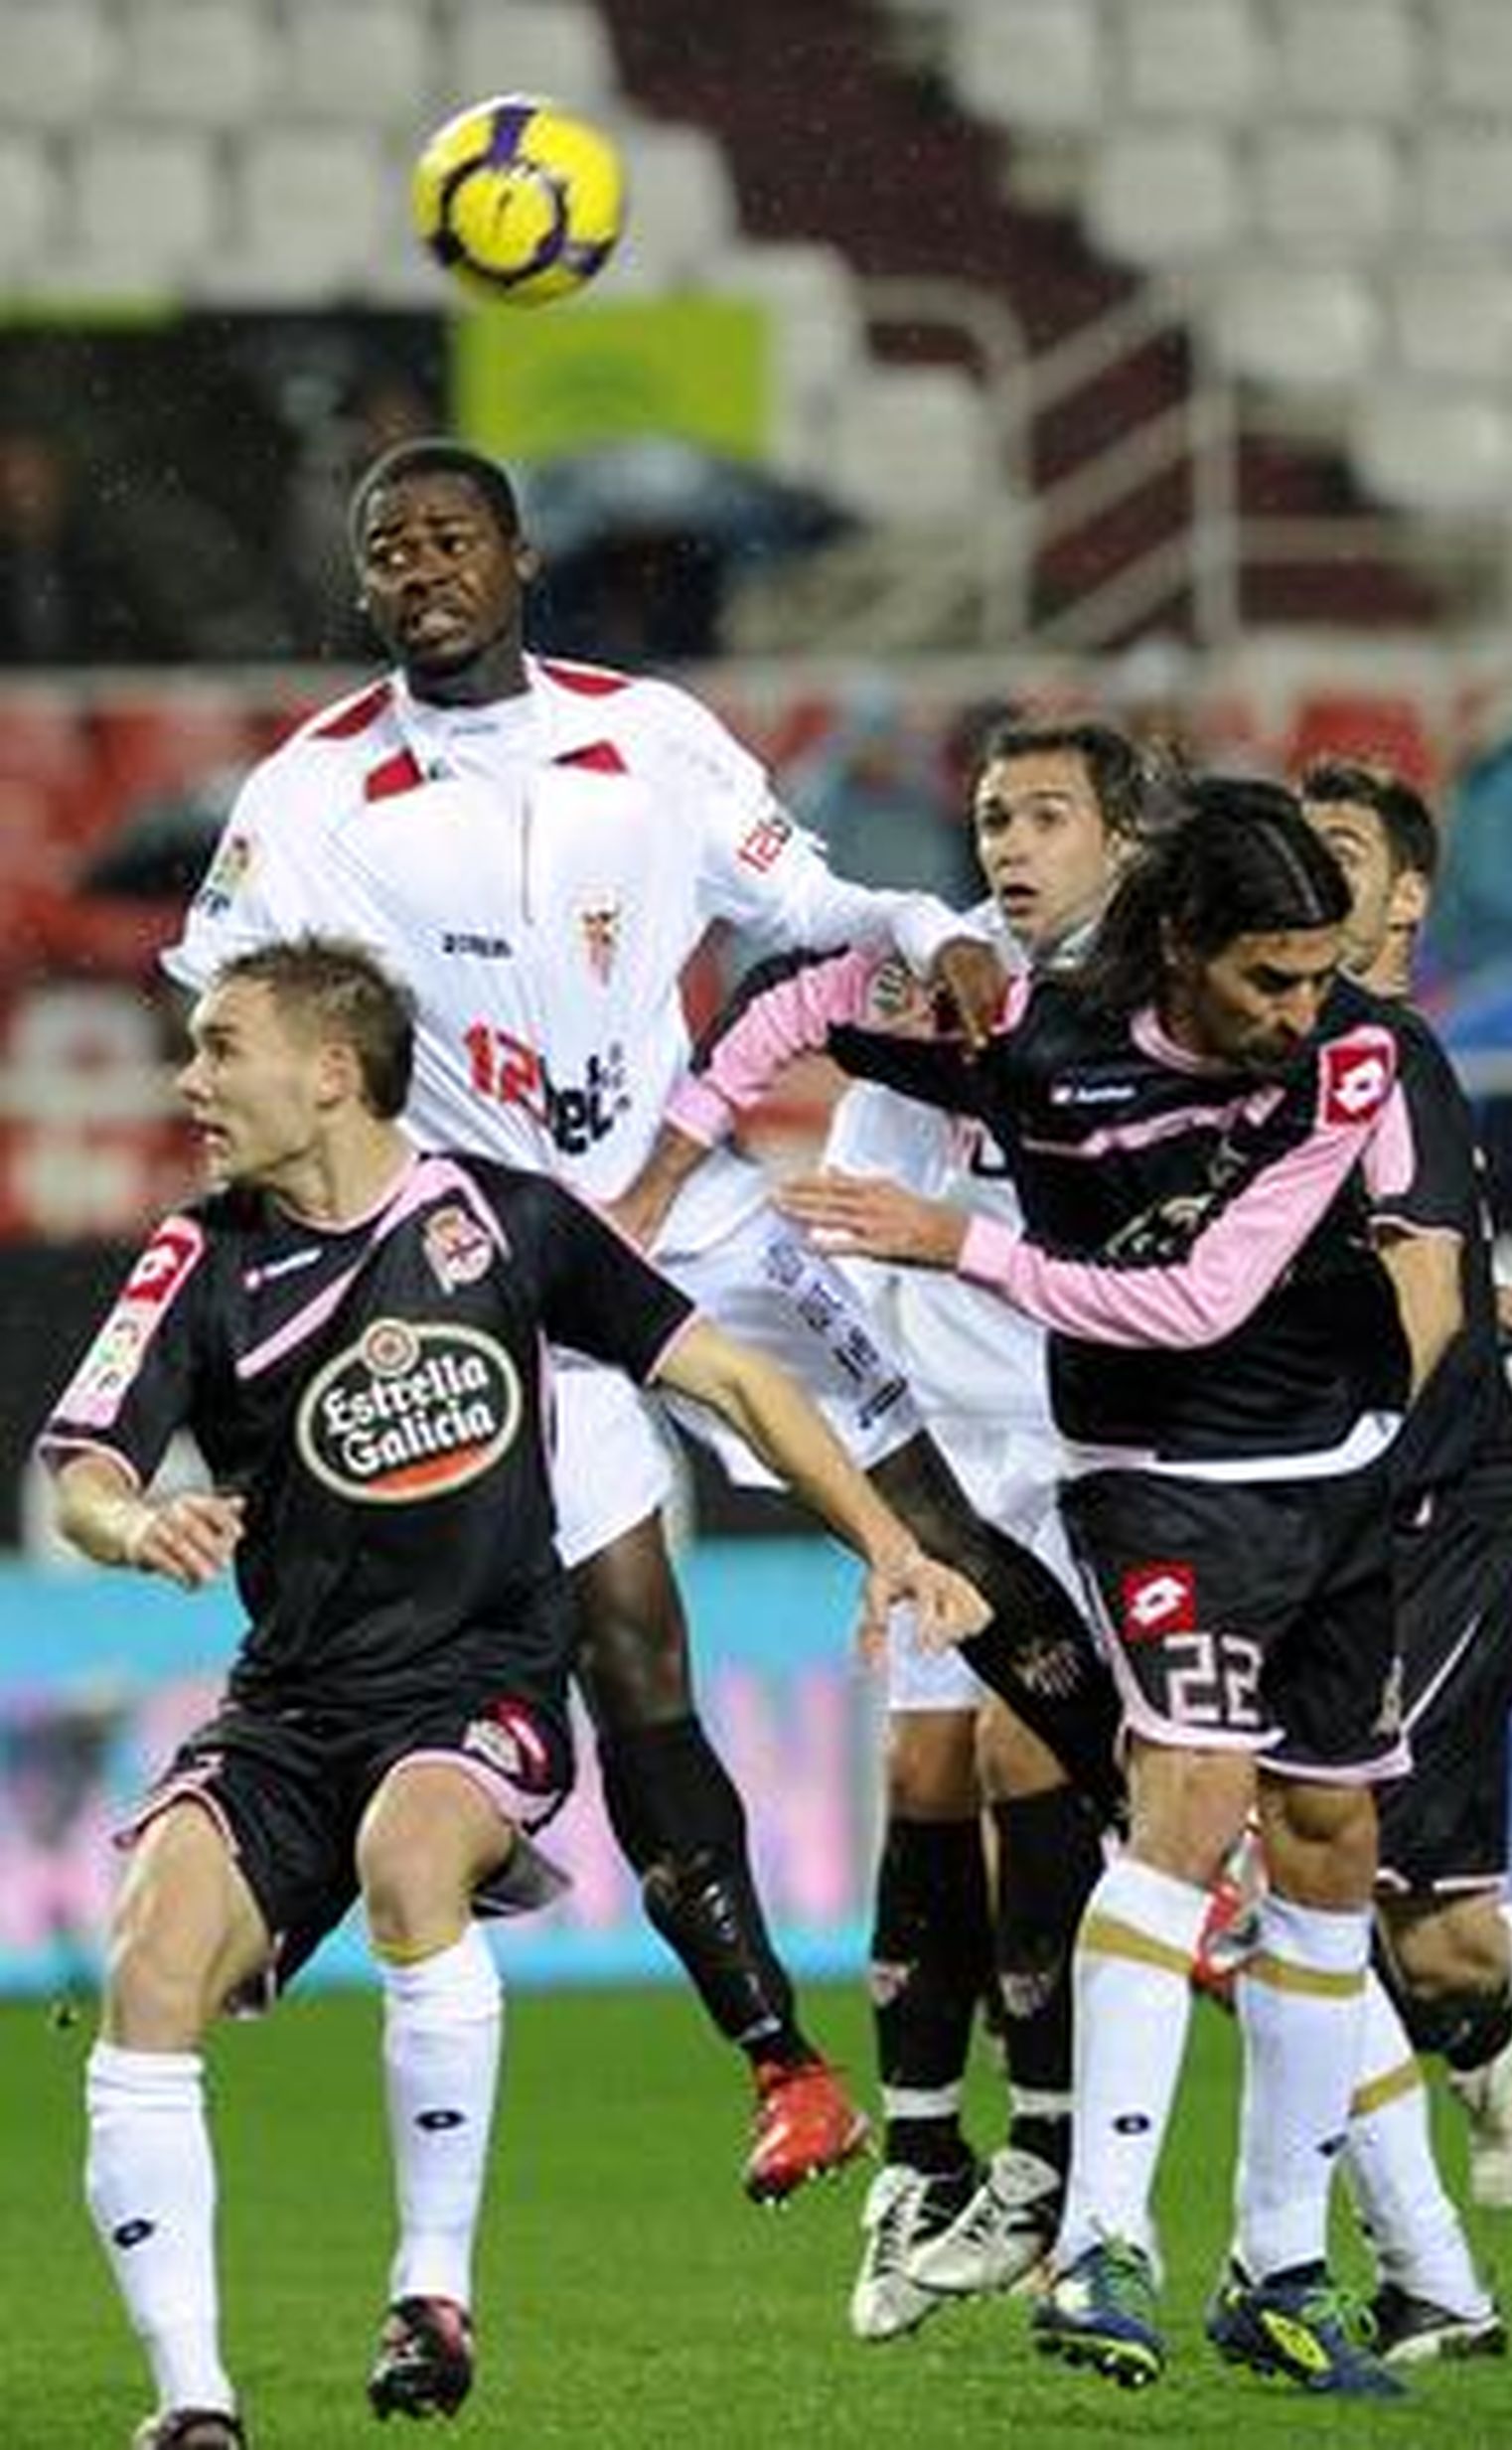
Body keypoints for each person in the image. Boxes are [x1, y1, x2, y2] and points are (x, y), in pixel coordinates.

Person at [162, 437, 1114, 2208]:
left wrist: (931, 922)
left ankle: (1152, 1832)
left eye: (454, 536)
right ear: (365, 583)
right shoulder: (305, 795)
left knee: (934, 1521)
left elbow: (809, 907)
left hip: (703, 1212)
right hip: (499, 1272)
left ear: (520, 558)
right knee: (632, 1655)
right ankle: (785, 2064)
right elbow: (236, 1014)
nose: (424, 566)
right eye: (392, 549)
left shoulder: (652, 736)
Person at [38, 938, 987, 2450]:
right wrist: (135, 1522)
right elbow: (81, 1463)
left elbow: (733, 1380)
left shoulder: (508, 1221)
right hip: (286, 1706)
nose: (188, 1080)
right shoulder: (200, 1254)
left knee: (411, 1851)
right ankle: (194, 2402)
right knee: (149, 1953)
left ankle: (429, 2289)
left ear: (332, 1070)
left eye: (221, 1047)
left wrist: (887, 1543)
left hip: (480, 1681)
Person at [654, 780, 1423, 2396]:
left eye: (1317, 972)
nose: (1308, 1007)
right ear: (1191, 946)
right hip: (1153, 1481)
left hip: (1333, 1479)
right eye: (1272, 977)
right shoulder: (1043, 1047)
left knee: (1333, 1842)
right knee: (1180, 1799)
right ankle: (1090, 2240)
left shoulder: (1346, 1054)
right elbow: (804, 995)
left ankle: (1279, 2259)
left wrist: (961, 1244)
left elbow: (1207, 1292)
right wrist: (667, 1158)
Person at [809, 721, 1144, 2340]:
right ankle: (926, 2156)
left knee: (1031, 1767)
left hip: (1079, 1448)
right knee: (924, 1773)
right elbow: (846, 1234)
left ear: (1121, 837)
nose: (1010, 845)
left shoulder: (1150, 1011)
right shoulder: (916, 1004)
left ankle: (1054, 2157)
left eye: (1047, 816)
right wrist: (882, 1501)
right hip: (945, 1459)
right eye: (995, 815)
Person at [1303, 763, 1512, 2242]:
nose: (1306, 870)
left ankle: (1387, 2262)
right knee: (1444, 1951)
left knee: (1315, 1880)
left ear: (1408, 897)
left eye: (1340, 850)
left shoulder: (1392, 1054)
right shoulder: (1313, 1064)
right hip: (1344, 1539)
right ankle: (1491, 2033)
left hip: (1440, 1524)